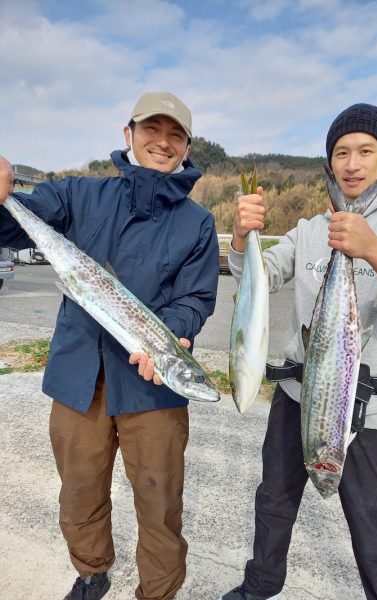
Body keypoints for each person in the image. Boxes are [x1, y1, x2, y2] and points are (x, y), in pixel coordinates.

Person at [219, 103, 377, 600]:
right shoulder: (306, 229)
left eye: (366, 150)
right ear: (330, 163)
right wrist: (241, 238)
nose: (352, 162)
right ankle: (259, 587)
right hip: (298, 397)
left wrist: (373, 249)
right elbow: (256, 277)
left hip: (367, 412)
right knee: (273, 504)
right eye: (341, 152)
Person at [0, 91, 219, 600]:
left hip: (153, 387)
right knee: (79, 491)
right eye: (151, 130)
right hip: (79, 379)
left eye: (175, 135)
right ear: (129, 135)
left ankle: (158, 592)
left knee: (160, 501)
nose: (162, 142)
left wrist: (178, 332)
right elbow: (14, 224)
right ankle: (92, 571)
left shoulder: (198, 223)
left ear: (187, 147)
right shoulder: (80, 195)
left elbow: (196, 297)